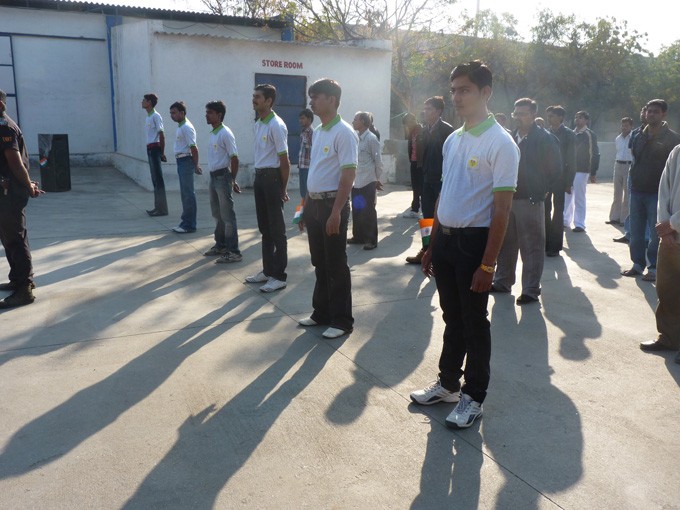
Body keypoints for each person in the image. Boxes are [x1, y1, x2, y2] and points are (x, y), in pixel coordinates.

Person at [410, 61, 519, 429]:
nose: (457, 96)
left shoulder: (501, 143)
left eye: (465, 90)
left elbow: (502, 211)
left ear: (485, 93)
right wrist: (431, 245)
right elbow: (445, 195)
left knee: (475, 322)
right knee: (451, 317)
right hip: (446, 242)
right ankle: (448, 385)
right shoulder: (453, 140)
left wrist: (488, 264)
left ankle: (473, 397)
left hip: (475, 244)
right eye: (454, 89)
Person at [298, 78, 358, 339]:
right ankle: (321, 312)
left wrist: (336, 212)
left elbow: (348, 176)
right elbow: (316, 173)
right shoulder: (319, 130)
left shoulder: (344, 132)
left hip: (332, 205)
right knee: (319, 261)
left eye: (317, 96)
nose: (311, 101)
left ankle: (342, 320)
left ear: (332, 100)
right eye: (311, 97)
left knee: (335, 263)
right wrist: (304, 207)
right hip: (314, 204)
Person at [492, 98, 561, 304]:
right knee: (506, 243)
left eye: (523, 113)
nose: (518, 117)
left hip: (530, 200)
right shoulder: (510, 137)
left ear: (533, 115)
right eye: (516, 113)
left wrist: (539, 190)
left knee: (532, 247)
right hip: (508, 199)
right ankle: (503, 281)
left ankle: (530, 289)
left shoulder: (545, 139)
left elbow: (555, 170)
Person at [622, 99, 680, 281]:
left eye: (655, 111)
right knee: (636, 230)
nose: (650, 114)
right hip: (637, 190)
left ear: (663, 114)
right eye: (648, 111)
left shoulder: (672, 139)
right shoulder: (638, 135)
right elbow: (635, 159)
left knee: (656, 234)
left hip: (657, 194)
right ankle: (637, 264)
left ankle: (654, 267)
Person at [245, 84, 291, 293]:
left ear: (269, 101)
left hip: (272, 179)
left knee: (277, 229)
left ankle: (279, 275)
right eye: (253, 96)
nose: (254, 100)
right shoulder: (259, 123)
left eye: (257, 97)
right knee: (265, 228)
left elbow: (284, 160)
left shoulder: (276, 124)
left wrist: (283, 188)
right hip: (260, 177)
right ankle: (267, 270)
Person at [0, 89, 43, 308]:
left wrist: (28, 186)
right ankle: (17, 279)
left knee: (15, 239)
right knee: (9, 238)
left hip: (10, 194)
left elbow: (15, 162)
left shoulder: (4, 127)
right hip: (6, 192)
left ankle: (24, 289)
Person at [639, 144, 680, 363]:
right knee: (667, 288)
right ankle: (670, 338)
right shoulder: (677, 152)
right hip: (670, 237)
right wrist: (664, 227)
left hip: (674, 228)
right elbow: (663, 189)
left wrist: (673, 224)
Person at [405, 97, 454, 264]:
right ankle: (426, 250)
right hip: (426, 180)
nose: (424, 112)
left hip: (442, 182)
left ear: (438, 111)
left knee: (443, 218)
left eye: (429, 109)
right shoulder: (423, 131)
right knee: (427, 217)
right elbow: (420, 158)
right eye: (424, 108)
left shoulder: (448, 131)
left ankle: (442, 253)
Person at [203, 100, 242, 264]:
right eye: (207, 112)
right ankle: (220, 245)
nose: (207, 115)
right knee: (217, 214)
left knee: (227, 216)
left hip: (222, 177)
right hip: (213, 177)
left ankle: (233, 251)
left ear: (219, 115)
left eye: (210, 112)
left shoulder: (225, 133)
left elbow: (234, 158)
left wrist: (232, 179)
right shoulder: (213, 133)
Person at [348, 111, 383, 250]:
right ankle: (358, 236)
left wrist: (376, 179)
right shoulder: (355, 138)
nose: (353, 122)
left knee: (368, 211)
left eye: (355, 119)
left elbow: (378, 161)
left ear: (363, 121)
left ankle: (371, 240)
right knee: (357, 209)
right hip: (356, 180)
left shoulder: (371, 139)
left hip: (368, 180)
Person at [545, 105, 576, 256]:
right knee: (544, 210)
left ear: (560, 118)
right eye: (548, 116)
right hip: (545, 178)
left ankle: (555, 246)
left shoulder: (569, 135)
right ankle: (544, 243)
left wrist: (569, 182)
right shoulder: (545, 133)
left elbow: (572, 160)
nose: (549, 118)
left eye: (552, 116)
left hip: (560, 178)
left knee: (558, 212)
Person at [615, 106, 648, 243]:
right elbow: (633, 153)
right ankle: (629, 234)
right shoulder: (635, 134)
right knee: (632, 204)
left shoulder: (664, 135)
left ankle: (647, 238)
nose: (646, 114)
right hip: (634, 173)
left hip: (650, 176)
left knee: (648, 208)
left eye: (651, 111)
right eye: (644, 111)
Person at [564, 110, 599, 232]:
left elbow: (594, 153)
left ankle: (579, 223)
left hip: (582, 170)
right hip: (569, 170)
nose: (577, 120)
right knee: (567, 194)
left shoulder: (589, 134)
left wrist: (593, 171)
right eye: (576, 117)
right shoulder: (571, 133)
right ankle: (565, 220)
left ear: (586, 120)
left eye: (580, 117)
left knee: (579, 196)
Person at [169, 101, 201, 233]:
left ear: (182, 113)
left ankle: (189, 225)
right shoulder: (180, 126)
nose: (172, 115)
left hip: (186, 161)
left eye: (174, 113)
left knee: (188, 194)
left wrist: (196, 165)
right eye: (171, 113)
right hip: (181, 161)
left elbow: (194, 148)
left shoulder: (186, 127)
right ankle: (185, 222)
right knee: (185, 194)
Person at [142, 93, 168, 217]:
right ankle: (157, 207)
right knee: (154, 179)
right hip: (150, 149)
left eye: (144, 100)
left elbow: (161, 135)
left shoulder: (156, 116)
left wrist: (162, 153)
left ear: (150, 102)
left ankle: (162, 209)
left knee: (158, 179)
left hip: (155, 149)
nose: (142, 102)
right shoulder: (148, 116)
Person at [607, 117, 633, 227]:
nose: (624, 127)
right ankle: (614, 217)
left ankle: (624, 219)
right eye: (622, 125)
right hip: (618, 165)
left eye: (626, 125)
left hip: (629, 165)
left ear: (631, 126)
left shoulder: (633, 137)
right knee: (616, 192)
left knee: (627, 193)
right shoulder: (618, 138)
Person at [402, 113, 423, 218]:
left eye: (408, 123)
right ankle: (414, 209)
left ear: (414, 120)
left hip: (422, 163)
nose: (407, 126)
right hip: (413, 162)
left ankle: (424, 210)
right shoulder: (411, 132)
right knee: (415, 186)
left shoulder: (423, 131)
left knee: (422, 187)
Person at [298, 108, 314, 200]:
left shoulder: (312, 133)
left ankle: (308, 212)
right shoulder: (303, 132)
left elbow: (314, 149)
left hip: (308, 167)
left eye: (303, 118)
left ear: (309, 119)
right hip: (302, 166)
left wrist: (308, 146)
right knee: (303, 193)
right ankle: (303, 212)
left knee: (308, 193)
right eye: (300, 118)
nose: (300, 120)